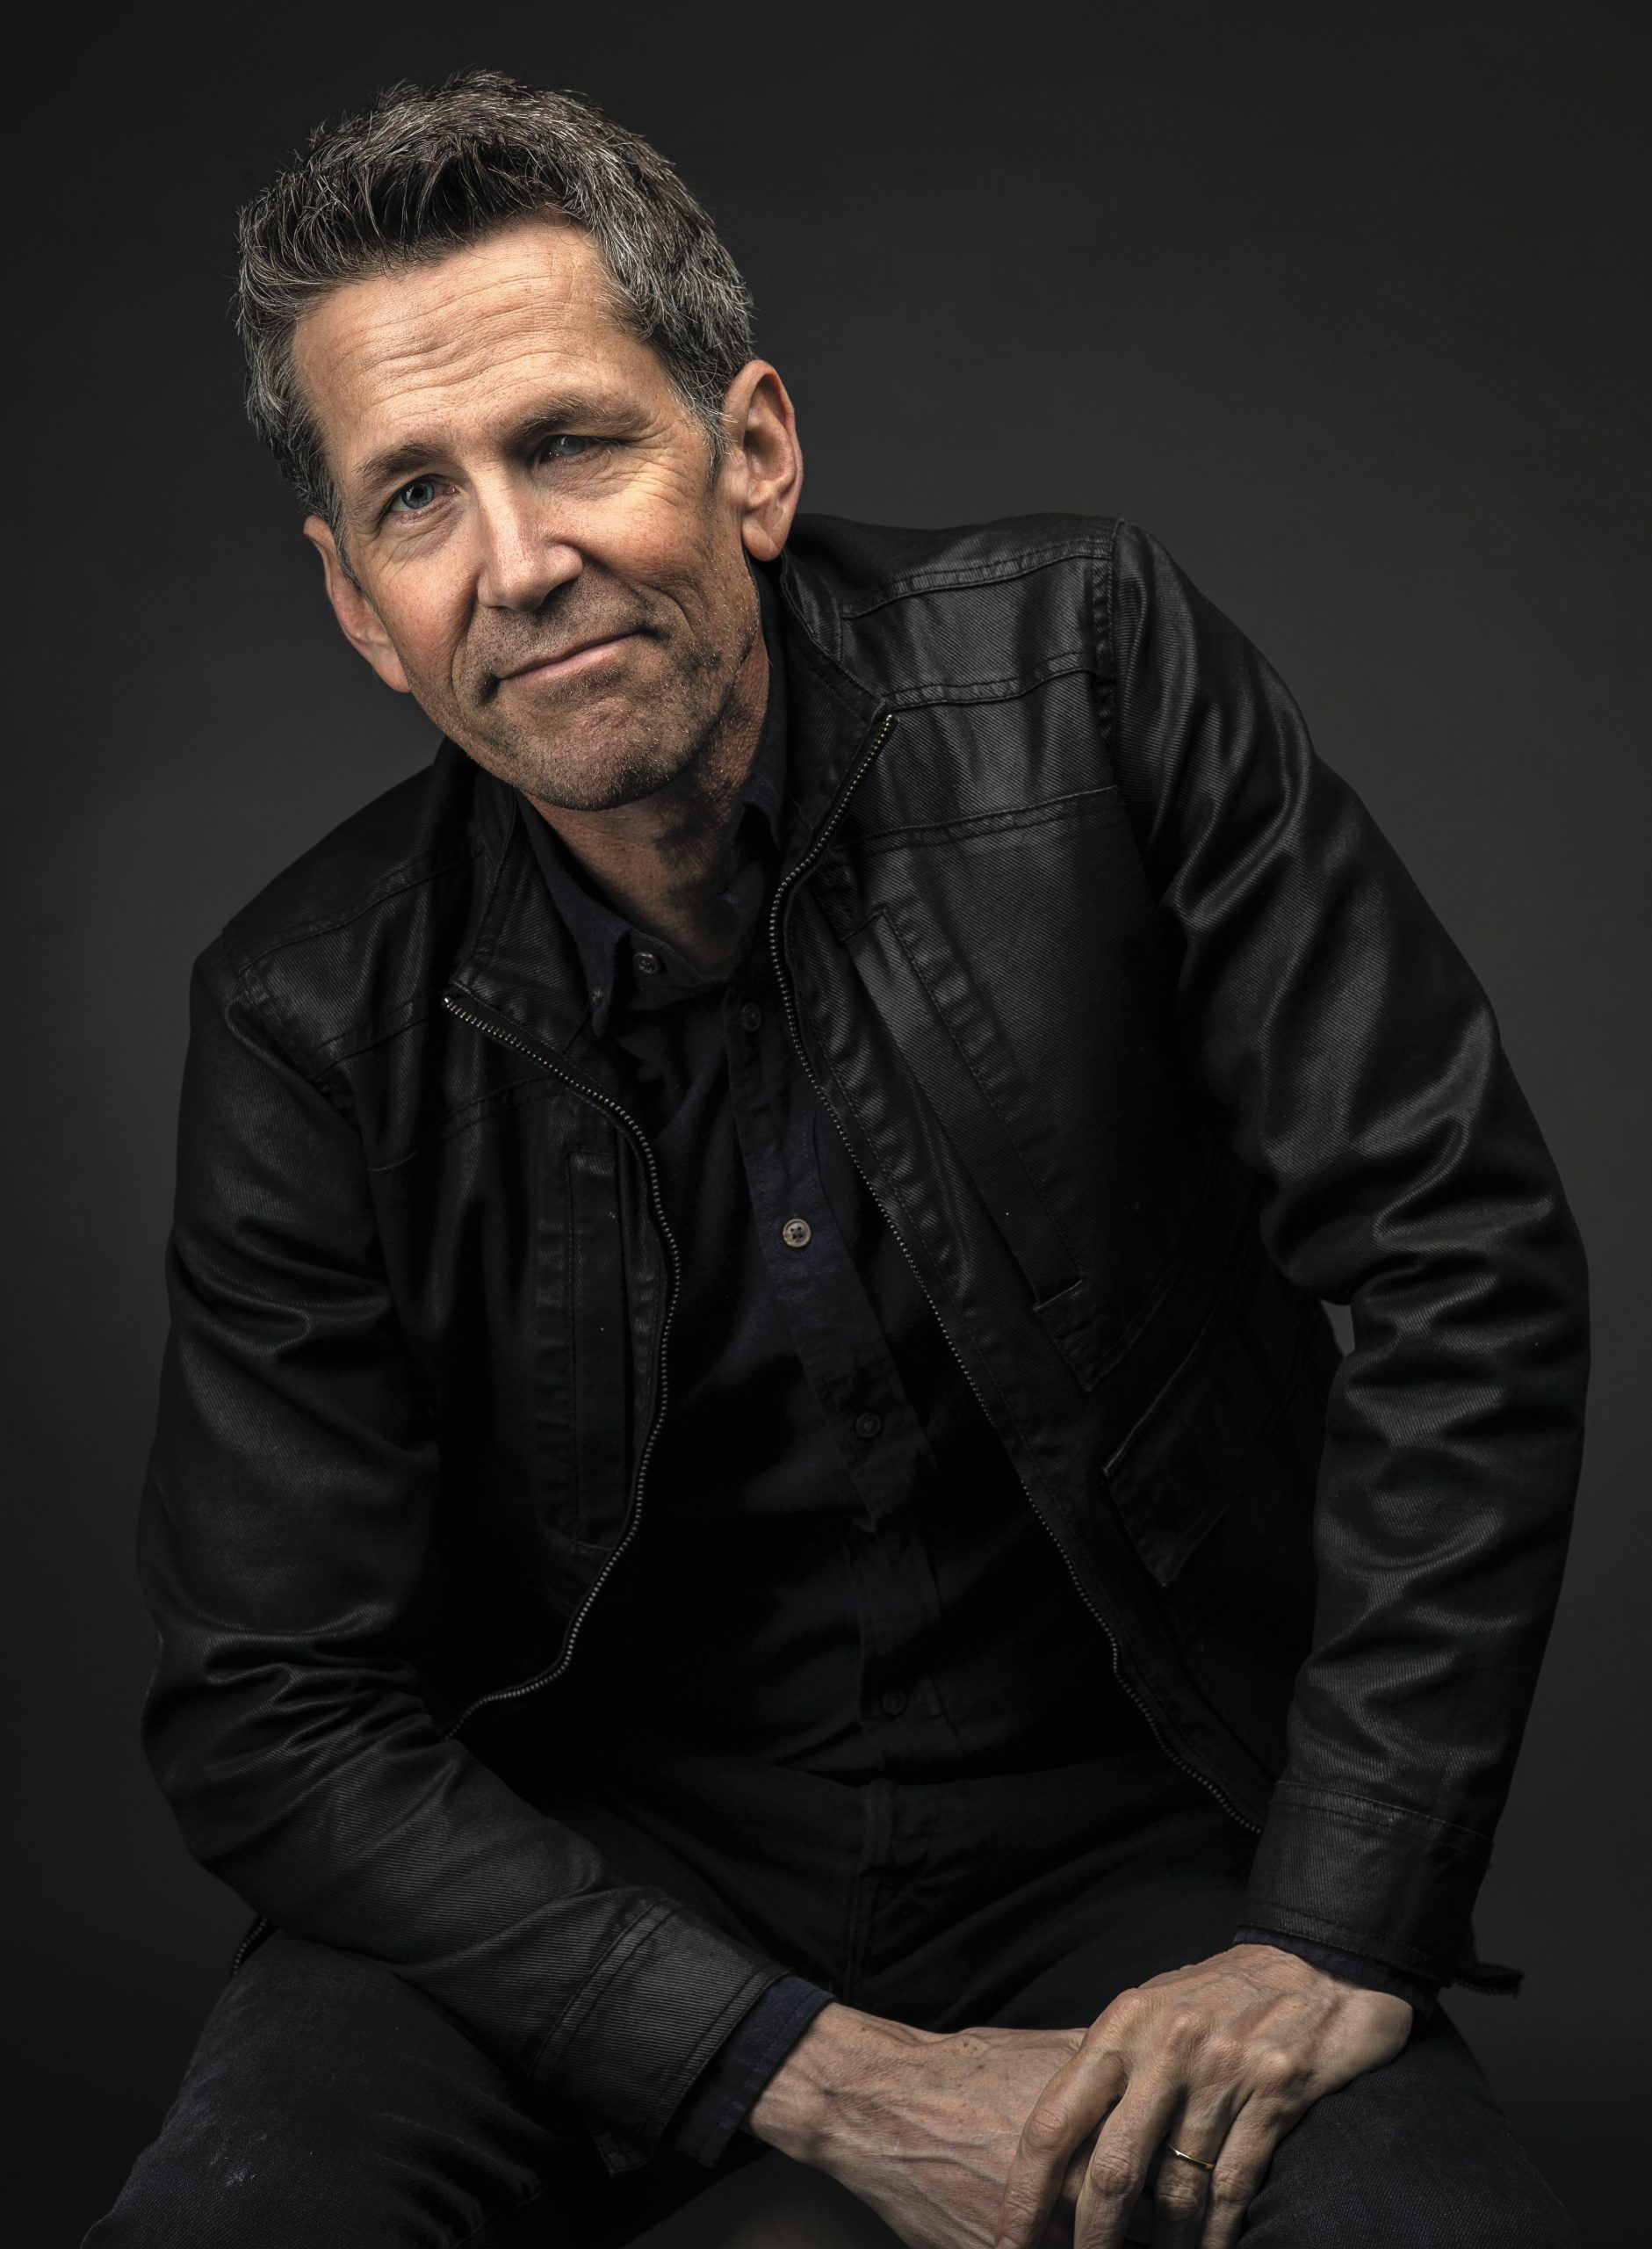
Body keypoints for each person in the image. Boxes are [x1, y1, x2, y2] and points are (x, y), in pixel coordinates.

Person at [88, 68, 1588, 2249]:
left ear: (754, 455)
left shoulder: (1085, 674)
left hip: (1134, 1830)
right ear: (355, 605)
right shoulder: (307, 1010)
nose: (517, 561)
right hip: (584, 1879)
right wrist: (818, 2074)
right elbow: (269, 1702)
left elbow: (1454, 1249)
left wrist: (1337, 1918)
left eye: (569, 441)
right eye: (415, 498)